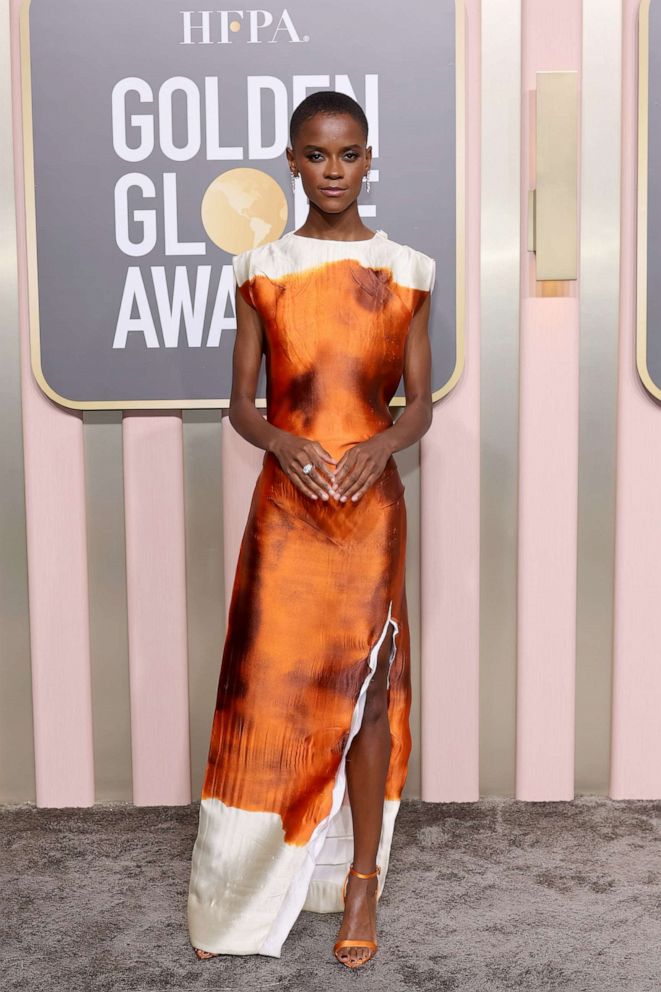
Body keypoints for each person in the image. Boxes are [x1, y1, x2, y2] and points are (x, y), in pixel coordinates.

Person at [187, 90, 436, 970]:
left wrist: (382, 446)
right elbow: (240, 407)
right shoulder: (258, 267)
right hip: (287, 514)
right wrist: (284, 441)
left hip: (369, 512)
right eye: (317, 155)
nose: (334, 171)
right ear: (291, 161)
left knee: (368, 689)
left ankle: (358, 878)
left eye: (349, 154)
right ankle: (245, 887)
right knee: (270, 691)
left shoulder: (408, 269)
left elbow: (416, 408)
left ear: (370, 159)